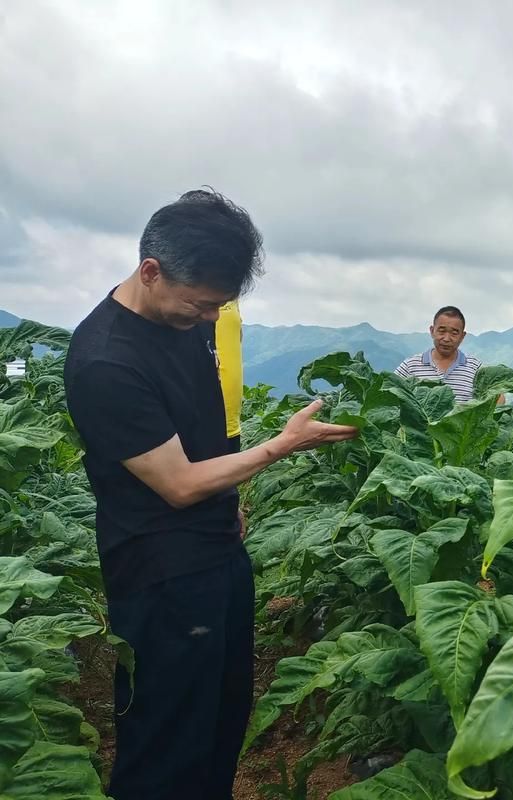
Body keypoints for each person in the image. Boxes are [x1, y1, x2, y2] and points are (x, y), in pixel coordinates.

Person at [63, 189, 358, 800]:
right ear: (151, 271)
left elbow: (205, 431)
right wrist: (282, 445)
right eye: (200, 306)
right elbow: (176, 484)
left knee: (221, 718)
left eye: (218, 307)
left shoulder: (187, 316)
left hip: (219, 551)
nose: (207, 319)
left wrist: (233, 504)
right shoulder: (106, 362)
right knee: (166, 738)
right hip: (161, 574)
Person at [395, 305, 482, 402]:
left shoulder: (475, 368)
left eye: (454, 333)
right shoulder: (410, 366)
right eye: (442, 331)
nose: (446, 338)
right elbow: (389, 392)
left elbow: (497, 397)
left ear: (462, 336)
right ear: (432, 331)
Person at [201, 300, 243, 452]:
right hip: (199, 419)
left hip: (231, 419)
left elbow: (237, 337)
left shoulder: (230, 291)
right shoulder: (185, 284)